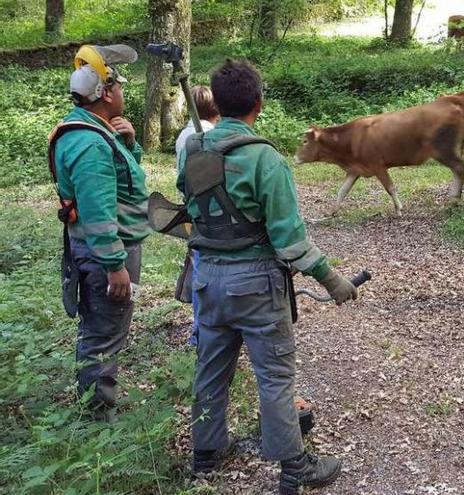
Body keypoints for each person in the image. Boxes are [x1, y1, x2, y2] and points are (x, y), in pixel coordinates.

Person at [177, 59, 357, 493]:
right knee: (275, 377)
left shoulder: (192, 151)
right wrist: (332, 279)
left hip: (206, 279)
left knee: (211, 369)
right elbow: (289, 239)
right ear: (259, 102)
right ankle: (295, 467)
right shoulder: (264, 158)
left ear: (216, 102)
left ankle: (206, 454)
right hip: (255, 283)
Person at [49, 44, 149, 421]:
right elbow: (97, 210)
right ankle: (96, 419)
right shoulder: (90, 143)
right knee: (104, 336)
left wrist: (129, 144)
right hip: (105, 253)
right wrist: (114, 264)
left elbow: (126, 180)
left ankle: (95, 405)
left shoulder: (96, 133)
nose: (123, 91)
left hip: (105, 250)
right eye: (119, 85)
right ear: (105, 92)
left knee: (103, 329)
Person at [173, 85, 221, 347]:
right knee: (208, 271)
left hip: (192, 208)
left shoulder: (184, 135)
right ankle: (202, 333)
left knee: (199, 266)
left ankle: (200, 331)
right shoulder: (210, 134)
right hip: (212, 213)